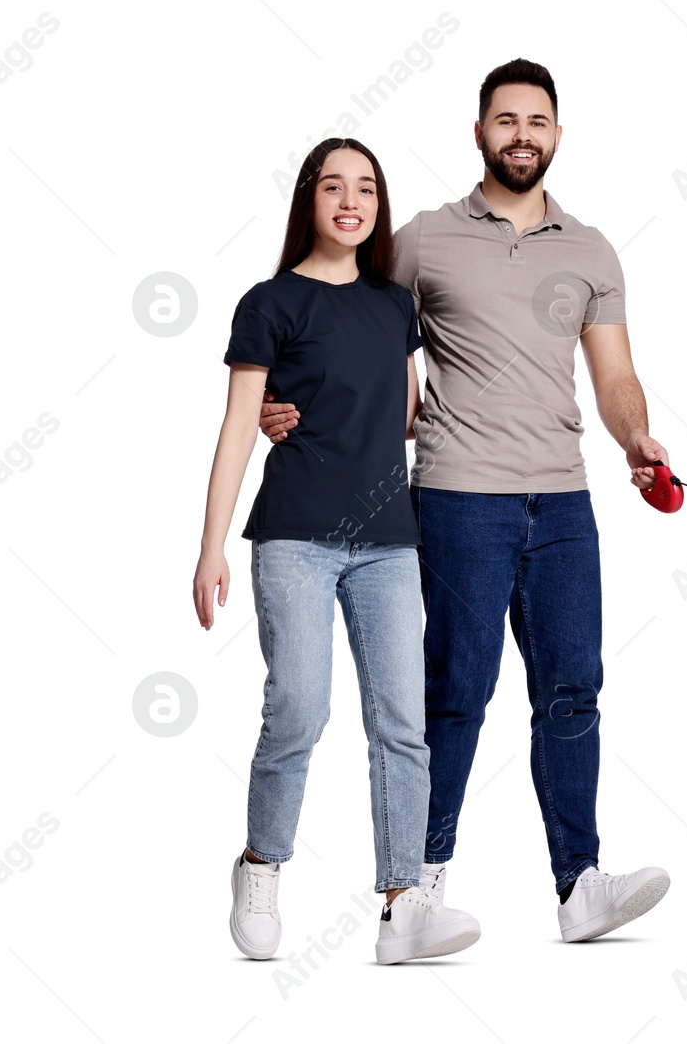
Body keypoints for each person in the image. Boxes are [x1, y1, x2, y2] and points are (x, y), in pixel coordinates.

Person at [259, 60, 671, 942]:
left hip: (563, 504)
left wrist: (636, 440)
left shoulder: (591, 250)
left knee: (574, 690)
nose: (522, 134)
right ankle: (420, 886)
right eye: (506, 120)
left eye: (538, 121)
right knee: (454, 693)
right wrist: (280, 397)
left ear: (558, 135)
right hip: (454, 495)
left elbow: (618, 375)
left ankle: (579, 885)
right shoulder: (421, 241)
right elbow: (345, 322)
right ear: (479, 132)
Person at [195, 137, 482, 965]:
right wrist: (210, 547)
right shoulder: (269, 304)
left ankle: (403, 909)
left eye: (365, 188)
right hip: (293, 537)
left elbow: (401, 416)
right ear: (309, 201)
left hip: (389, 544)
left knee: (402, 722)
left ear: (378, 207)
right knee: (300, 709)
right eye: (333, 186)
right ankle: (260, 867)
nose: (350, 200)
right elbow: (233, 430)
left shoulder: (396, 307)